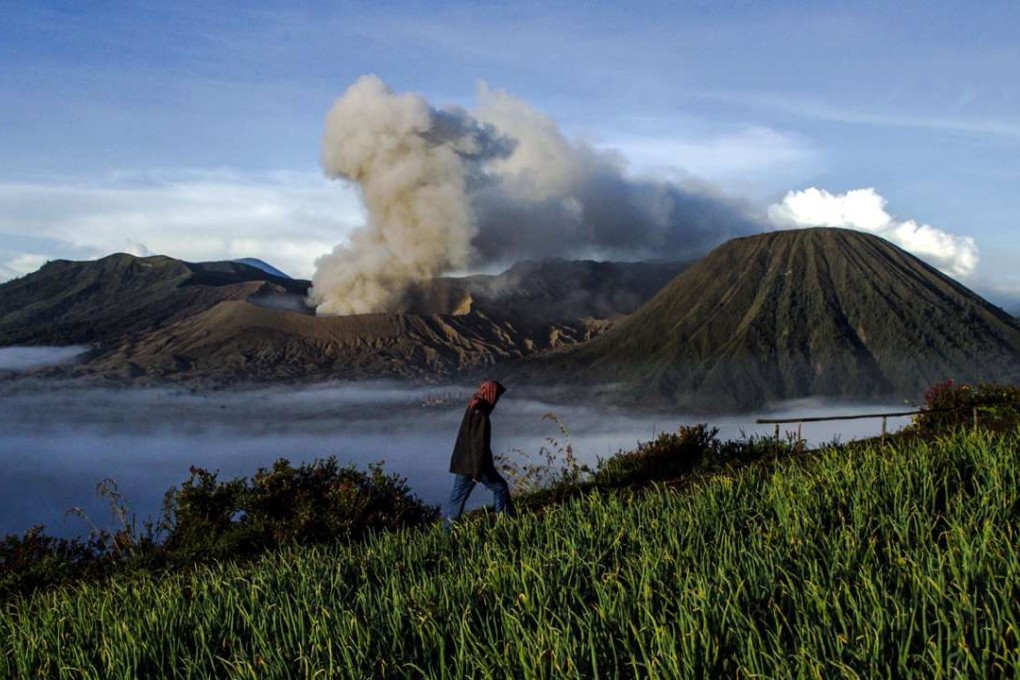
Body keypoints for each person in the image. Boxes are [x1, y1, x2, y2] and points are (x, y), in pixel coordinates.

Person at [444, 379, 514, 530]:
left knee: (457, 499)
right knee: (500, 488)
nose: (498, 399)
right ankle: (504, 523)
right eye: (497, 395)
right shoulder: (481, 413)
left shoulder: (473, 405)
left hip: (463, 462)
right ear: (491, 393)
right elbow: (478, 445)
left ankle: (447, 532)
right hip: (475, 464)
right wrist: (477, 472)